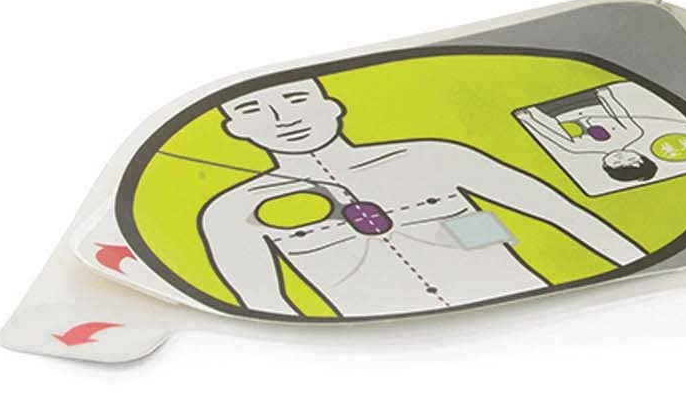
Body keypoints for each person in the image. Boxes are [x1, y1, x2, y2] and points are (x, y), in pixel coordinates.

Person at [197, 77, 646, 316]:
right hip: (404, 357)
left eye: (296, 99)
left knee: (479, 227)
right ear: (235, 129)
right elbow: (263, 305)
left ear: (331, 106)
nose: (281, 118)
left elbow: (561, 212)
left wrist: (646, 277)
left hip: (539, 313)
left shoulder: (432, 156)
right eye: (252, 110)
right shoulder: (232, 211)